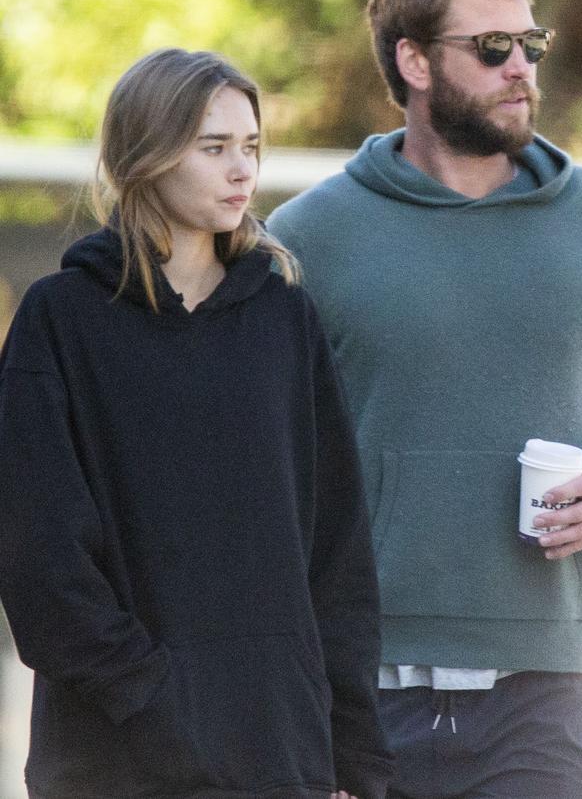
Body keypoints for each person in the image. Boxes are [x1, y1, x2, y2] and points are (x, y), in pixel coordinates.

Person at [268, 0, 582, 797]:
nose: (521, 68)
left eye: (531, 45)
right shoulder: (305, 238)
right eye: (491, 48)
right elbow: (260, 458)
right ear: (413, 60)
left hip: (543, 692)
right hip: (361, 683)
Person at [0, 48, 394, 799]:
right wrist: (152, 700)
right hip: (114, 762)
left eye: (249, 147)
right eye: (214, 148)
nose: (241, 170)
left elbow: (336, 551)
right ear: (144, 154)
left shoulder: (284, 317)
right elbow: (39, 558)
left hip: (280, 757)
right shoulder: (63, 320)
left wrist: (352, 751)